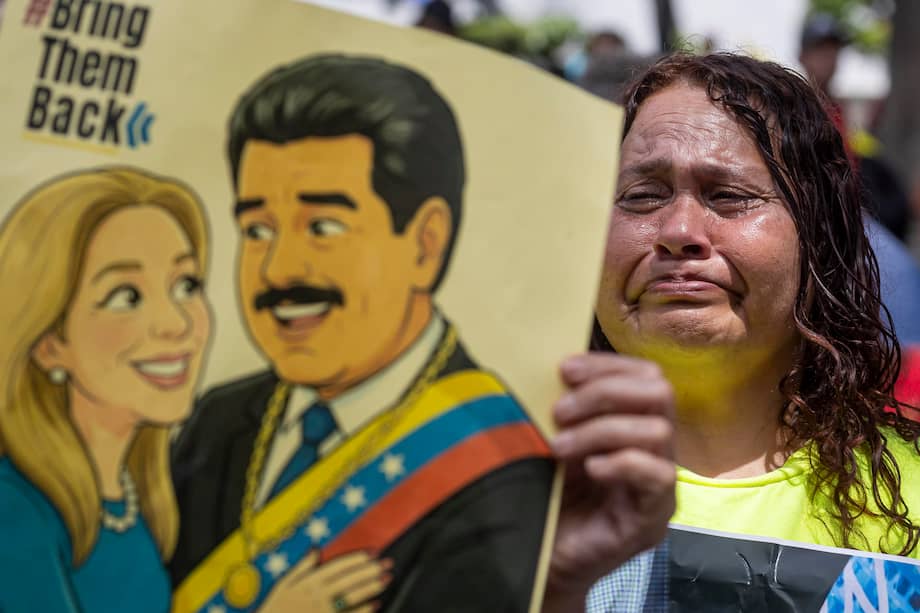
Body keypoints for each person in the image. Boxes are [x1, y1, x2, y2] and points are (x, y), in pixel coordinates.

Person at [169, 54, 556, 613]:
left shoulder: (502, 478)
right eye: (256, 229)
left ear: (425, 244)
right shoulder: (217, 424)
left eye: (322, 227)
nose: (278, 269)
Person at [587, 51, 920, 609]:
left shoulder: (909, 497)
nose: (679, 231)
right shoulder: (483, 491)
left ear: (818, 242)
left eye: (728, 197)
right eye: (642, 196)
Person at [0, 167, 213, 611]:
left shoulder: (134, 502)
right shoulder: (15, 509)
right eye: (126, 297)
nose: (178, 323)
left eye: (186, 285)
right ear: (49, 344)